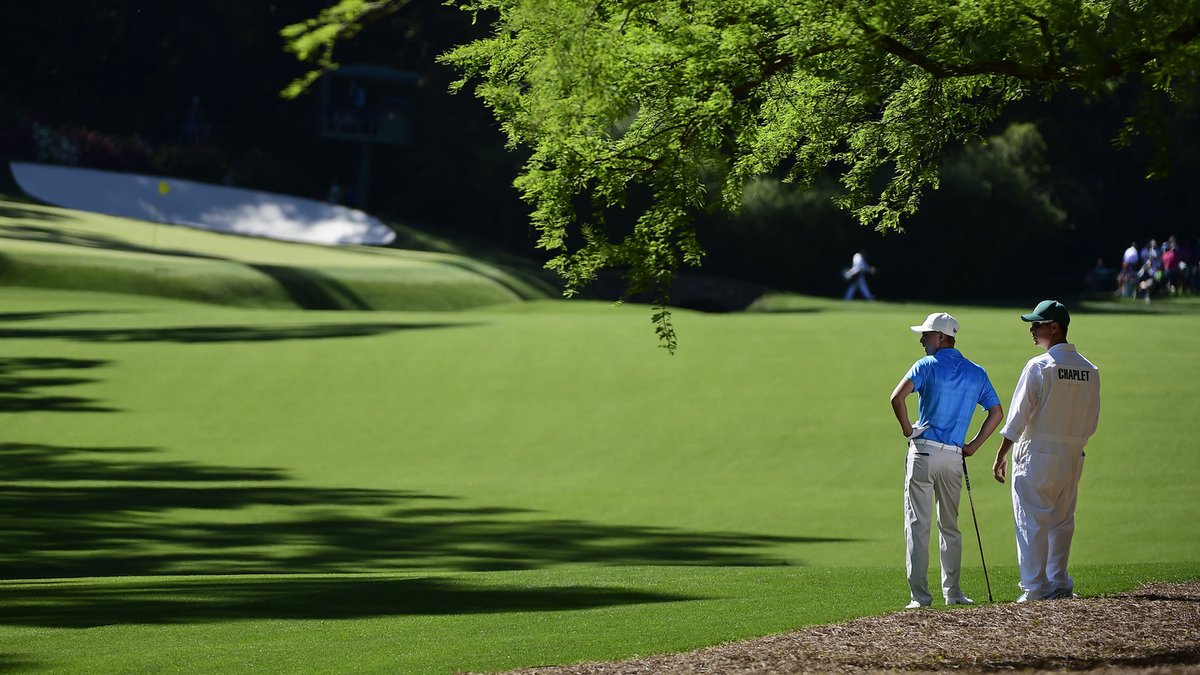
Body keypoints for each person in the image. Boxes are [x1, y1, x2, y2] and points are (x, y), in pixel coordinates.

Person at [890, 312, 1004, 609]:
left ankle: (920, 597)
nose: (921, 339)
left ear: (942, 337)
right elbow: (996, 412)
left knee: (918, 525)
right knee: (950, 527)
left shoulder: (925, 365)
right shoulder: (976, 371)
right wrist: (974, 447)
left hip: (924, 453)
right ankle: (953, 593)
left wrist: (908, 430)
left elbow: (896, 398)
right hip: (954, 457)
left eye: (926, 335)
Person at [992, 300, 1100, 603]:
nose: (1032, 329)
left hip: (1036, 452)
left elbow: (1018, 416)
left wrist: (1002, 452)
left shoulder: (1039, 366)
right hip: (1073, 454)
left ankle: (1034, 588)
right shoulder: (1090, 369)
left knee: (1031, 519)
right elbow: (1092, 420)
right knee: (1062, 520)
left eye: (1037, 324)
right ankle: (1059, 582)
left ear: (1055, 327)